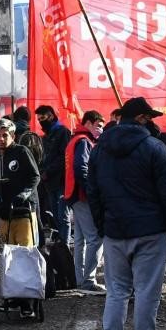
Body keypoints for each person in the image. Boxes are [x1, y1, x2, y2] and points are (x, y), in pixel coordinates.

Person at [86, 97, 166, 330]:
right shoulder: (154, 148)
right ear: (140, 119)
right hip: (152, 230)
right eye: (149, 117)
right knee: (147, 291)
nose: (152, 121)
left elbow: (93, 192)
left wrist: (102, 226)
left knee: (116, 291)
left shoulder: (100, 149)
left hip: (116, 230)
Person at [0, 118, 40, 317]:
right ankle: (12, 295)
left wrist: (23, 194)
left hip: (24, 212)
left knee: (25, 254)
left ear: (13, 136)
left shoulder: (21, 152)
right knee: (9, 256)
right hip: (3, 212)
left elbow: (34, 177)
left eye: (5, 135)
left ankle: (28, 300)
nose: (1, 139)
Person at [64, 110, 106, 294]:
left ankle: (80, 278)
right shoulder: (84, 141)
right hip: (82, 195)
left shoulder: (75, 139)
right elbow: (81, 167)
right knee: (95, 238)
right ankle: (88, 280)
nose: (101, 129)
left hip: (73, 194)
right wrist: (91, 191)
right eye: (98, 125)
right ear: (88, 123)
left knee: (81, 240)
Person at [35, 106, 73, 243]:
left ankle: (65, 246)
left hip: (61, 180)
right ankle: (60, 242)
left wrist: (48, 171)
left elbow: (64, 157)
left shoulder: (63, 132)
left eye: (42, 118)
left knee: (63, 215)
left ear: (51, 116)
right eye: (38, 119)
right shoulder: (46, 136)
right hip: (49, 181)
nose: (40, 121)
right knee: (55, 215)